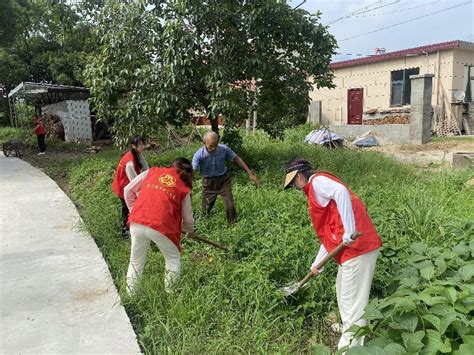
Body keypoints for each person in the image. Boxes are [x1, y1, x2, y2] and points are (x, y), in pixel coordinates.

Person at [283, 157, 382, 350]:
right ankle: (348, 327)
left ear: (300, 176)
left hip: (358, 248)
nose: (295, 187)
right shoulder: (316, 188)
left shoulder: (317, 182)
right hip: (352, 249)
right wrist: (317, 263)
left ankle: (351, 347)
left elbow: (341, 192)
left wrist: (349, 231)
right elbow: (330, 234)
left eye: (294, 182)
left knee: (353, 300)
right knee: (343, 291)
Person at [124, 157, 196, 294]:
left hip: (137, 221)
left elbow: (128, 190)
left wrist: (134, 211)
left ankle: (130, 296)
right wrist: (190, 231)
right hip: (162, 226)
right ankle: (171, 295)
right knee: (173, 259)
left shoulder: (151, 171)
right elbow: (187, 217)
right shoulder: (183, 187)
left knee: (136, 261)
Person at [192, 131, 259, 224]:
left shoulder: (224, 149)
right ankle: (201, 224)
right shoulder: (199, 155)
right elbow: (193, 170)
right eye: (211, 146)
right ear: (204, 143)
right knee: (205, 209)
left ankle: (233, 225)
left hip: (223, 181)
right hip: (208, 183)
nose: (214, 148)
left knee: (230, 205)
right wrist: (188, 184)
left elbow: (237, 159)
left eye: (216, 145)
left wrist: (250, 173)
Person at [112, 136, 149, 238]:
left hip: (127, 184)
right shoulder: (129, 162)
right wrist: (141, 193)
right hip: (123, 187)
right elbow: (134, 182)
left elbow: (145, 168)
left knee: (131, 207)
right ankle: (125, 231)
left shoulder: (137, 154)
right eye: (140, 144)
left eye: (143, 144)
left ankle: (132, 227)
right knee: (127, 209)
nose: (142, 146)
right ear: (134, 146)